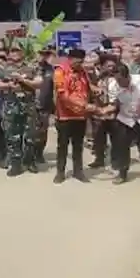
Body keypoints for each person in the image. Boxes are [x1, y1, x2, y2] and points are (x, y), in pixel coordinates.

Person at [0, 44, 42, 177]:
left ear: (22, 53)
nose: (14, 53)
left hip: (28, 105)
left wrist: (24, 80)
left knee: (31, 136)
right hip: (11, 106)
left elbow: (39, 82)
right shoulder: (4, 68)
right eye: (12, 51)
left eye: (17, 51)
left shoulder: (31, 66)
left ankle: (30, 161)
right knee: (13, 135)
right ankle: (15, 164)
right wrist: (8, 85)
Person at [52, 48, 92, 184]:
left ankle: (78, 172)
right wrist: (84, 105)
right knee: (62, 145)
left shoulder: (82, 71)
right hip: (65, 116)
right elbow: (63, 96)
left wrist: (97, 91)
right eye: (78, 61)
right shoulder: (60, 72)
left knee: (78, 145)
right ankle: (60, 173)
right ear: (70, 59)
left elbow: (88, 87)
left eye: (82, 62)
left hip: (80, 116)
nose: (80, 64)